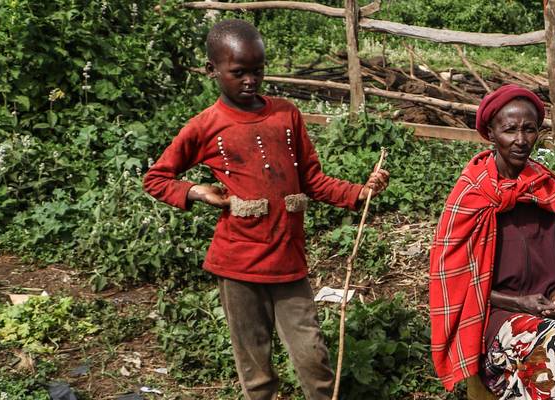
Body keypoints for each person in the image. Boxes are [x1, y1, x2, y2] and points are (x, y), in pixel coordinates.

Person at [142, 19, 389, 400]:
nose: (250, 81)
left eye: (258, 70)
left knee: (312, 357)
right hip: (237, 266)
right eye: (238, 72)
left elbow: (313, 180)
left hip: (288, 264)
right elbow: (156, 178)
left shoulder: (286, 115)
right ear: (212, 70)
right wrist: (197, 192)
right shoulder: (205, 126)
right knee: (255, 366)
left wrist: (360, 192)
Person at [428, 84, 555, 399]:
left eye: (529, 130)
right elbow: (458, 283)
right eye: (510, 130)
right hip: (494, 316)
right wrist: (518, 303)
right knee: (554, 343)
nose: (521, 140)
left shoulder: (544, 189)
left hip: (543, 310)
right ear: (491, 134)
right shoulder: (473, 195)